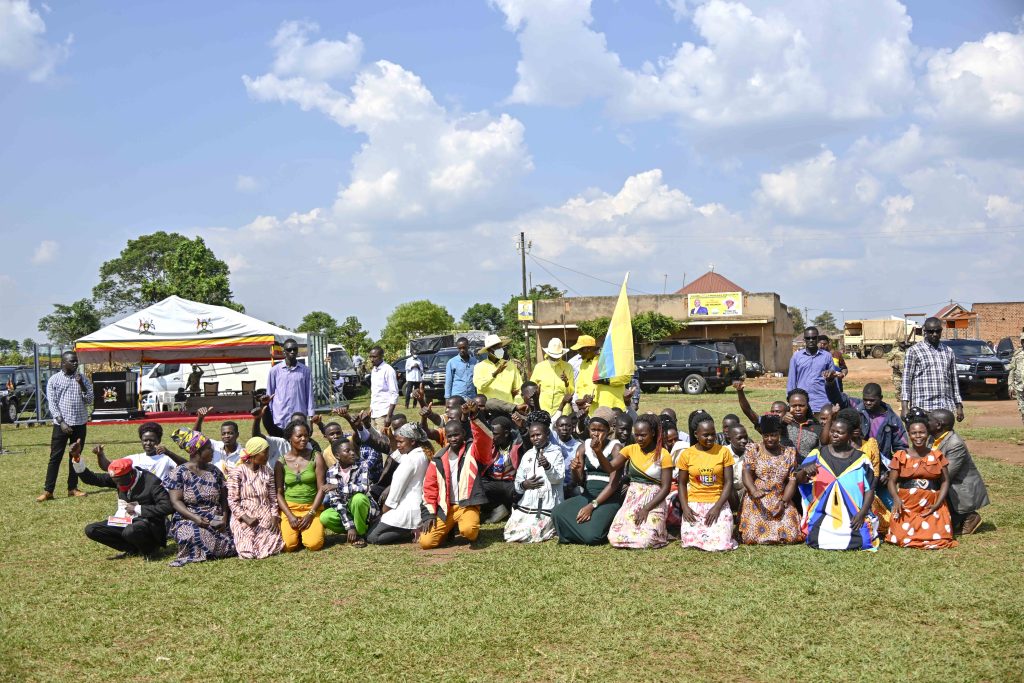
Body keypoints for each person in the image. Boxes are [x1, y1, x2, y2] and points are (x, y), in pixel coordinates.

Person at [796, 412, 878, 551]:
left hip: (854, 514)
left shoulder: (861, 459)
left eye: (840, 433)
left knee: (863, 540)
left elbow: (869, 489)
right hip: (823, 513)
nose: (834, 435)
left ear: (850, 435)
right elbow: (798, 479)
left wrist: (861, 514)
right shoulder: (818, 453)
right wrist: (804, 471)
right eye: (832, 431)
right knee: (815, 539)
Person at [419, 401, 495, 549]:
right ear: (445, 437)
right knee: (426, 542)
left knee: (469, 532)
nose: (453, 439)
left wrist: (474, 415)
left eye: (457, 435)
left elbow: (484, 438)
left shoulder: (473, 451)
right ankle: (449, 529)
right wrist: (429, 514)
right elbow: (429, 488)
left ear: (464, 434)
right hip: (446, 508)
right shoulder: (438, 459)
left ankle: (468, 526)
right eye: (450, 436)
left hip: (467, 505)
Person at [73, 450, 173, 559]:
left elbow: (168, 506)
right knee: (91, 530)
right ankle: (132, 549)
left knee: (130, 531)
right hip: (124, 521)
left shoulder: (152, 482)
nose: (119, 485)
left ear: (131, 474)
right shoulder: (119, 478)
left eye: (121, 482)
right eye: (116, 482)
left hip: (147, 523)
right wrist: (77, 458)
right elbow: (92, 479)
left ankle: (151, 550)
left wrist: (138, 509)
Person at [164, 428, 236, 567]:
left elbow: (223, 498)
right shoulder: (179, 473)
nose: (212, 451)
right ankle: (206, 550)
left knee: (231, 541)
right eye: (209, 448)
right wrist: (195, 518)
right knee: (191, 533)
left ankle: (210, 549)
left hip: (214, 516)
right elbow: (176, 501)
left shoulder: (214, 471)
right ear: (197, 452)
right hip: (189, 516)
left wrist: (224, 517)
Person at [884, 414, 957, 549]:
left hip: (931, 505)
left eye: (922, 432)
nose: (918, 436)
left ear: (928, 433)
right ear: (909, 435)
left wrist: (938, 503)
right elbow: (891, 481)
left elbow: (945, 481)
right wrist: (896, 499)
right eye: (914, 433)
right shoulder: (900, 456)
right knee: (900, 537)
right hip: (906, 505)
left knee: (939, 537)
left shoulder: (937, 455)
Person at [551, 413, 624, 545]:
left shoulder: (615, 447)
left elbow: (614, 483)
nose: (596, 434)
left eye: (601, 430)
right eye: (593, 430)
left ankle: (586, 531)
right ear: (588, 430)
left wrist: (592, 506)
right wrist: (574, 469)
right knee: (557, 513)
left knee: (592, 537)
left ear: (608, 431)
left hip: (609, 498)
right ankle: (580, 531)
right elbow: (578, 481)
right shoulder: (584, 446)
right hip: (587, 495)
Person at [607, 414, 673, 549]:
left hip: (654, 501)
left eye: (643, 435)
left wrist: (646, 509)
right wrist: (597, 451)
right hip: (633, 499)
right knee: (614, 537)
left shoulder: (663, 454)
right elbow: (610, 467)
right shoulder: (630, 449)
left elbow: (666, 488)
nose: (639, 439)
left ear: (653, 433)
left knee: (645, 540)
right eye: (636, 435)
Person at [675, 415, 738, 552]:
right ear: (696, 434)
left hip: (718, 503)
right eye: (706, 435)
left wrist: (717, 507)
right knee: (690, 542)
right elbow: (681, 484)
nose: (710, 438)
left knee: (722, 542)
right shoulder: (687, 454)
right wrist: (685, 508)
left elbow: (728, 483)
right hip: (694, 504)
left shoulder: (723, 452)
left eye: (713, 434)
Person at [738, 415, 804, 545]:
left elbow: (792, 480)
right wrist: (753, 490)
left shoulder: (789, 452)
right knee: (751, 537)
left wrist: (784, 502)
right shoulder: (753, 449)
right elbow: (746, 473)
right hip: (758, 498)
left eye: (773, 435)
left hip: (780, 497)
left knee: (791, 536)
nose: (769, 439)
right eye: (766, 435)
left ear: (779, 434)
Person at [38, 351, 94, 502]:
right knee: (55, 458)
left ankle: (72, 488)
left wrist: (81, 384)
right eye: (72, 361)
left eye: (76, 361)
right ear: (63, 363)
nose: (76, 363)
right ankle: (48, 491)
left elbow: (89, 400)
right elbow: (52, 403)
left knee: (75, 457)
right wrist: (61, 422)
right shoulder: (54, 380)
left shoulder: (83, 379)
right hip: (61, 424)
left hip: (80, 423)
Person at [367, 423, 433, 545]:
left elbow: (395, 494)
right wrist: (391, 438)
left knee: (372, 536)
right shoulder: (422, 453)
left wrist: (383, 511)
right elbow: (397, 455)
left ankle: (408, 531)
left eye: (401, 442)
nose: (398, 445)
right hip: (417, 508)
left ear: (413, 441)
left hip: (407, 510)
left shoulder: (410, 460)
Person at [504, 417, 565, 543]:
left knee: (534, 533)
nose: (535, 438)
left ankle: (550, 527)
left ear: (547, 434)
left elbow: (558, 479)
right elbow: (518, 482)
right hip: (527, 503)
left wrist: (548, 466)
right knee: (509, 533)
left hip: (548, 503)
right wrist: (524, 485)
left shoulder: (556, 453)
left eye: (538, 435)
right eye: (532, 436)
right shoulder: (527, 455)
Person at [929, 408, 989, 535]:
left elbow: (947, 474)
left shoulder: (955, 444)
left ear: (938, 425)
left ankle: (969, 516)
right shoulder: (932, 438)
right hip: (946, 483)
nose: (925, 422)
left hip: (958, 487)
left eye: (929, 420)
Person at [824, 378, 907, 469]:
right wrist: (830, 383)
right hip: (854, 463)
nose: (868, 403)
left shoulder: (892, 420)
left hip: (880, 466)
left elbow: (901, 448)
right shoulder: (856, 406)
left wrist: (891, 471)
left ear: (881, 398)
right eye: (865, 399)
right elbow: (838, 399)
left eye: (872, 400)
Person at [226, 437, 284, 560]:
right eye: (265, 452)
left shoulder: (267, 471)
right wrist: (246, 518)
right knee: (247, 552)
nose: (268, 456)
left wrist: (274, 516)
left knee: (273, 547)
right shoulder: (237, 472)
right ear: (254, 453)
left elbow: (273, 498)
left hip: (264, 513)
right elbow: (232, 500)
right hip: (244, 516)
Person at [274, 420, 327, 552]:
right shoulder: (281, 462)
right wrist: (290, 516)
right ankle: (297, 533)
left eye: (306, 436)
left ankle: (309, 531)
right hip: (290, 508)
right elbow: (279, 493)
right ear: (290, 438)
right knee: (288, 546)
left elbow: (322, 488)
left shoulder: (316, 456)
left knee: (314, 545)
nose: (304, 439)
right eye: (299, 436)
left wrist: (310, 514)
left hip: (311, 507)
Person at [901, 317, 963, 422]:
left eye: (937, 331)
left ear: (941, 331)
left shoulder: (948, 351)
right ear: (925, 331)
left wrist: (959, 406)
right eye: (930, 331)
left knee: (945, 438)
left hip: (944, 408)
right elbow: (906, 380)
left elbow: (954, 381)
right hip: (923, 407)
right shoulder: (914, 351)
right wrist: (904, 407)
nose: (934, 334)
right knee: (923, 437)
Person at [319, 440, 380, 547]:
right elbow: (336, 501)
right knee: (325, 517)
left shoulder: (362, 465)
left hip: (363, 510)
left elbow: (363, 488)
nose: (352, 453)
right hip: (345, 510)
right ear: (337, 455)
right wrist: (350, 526)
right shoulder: (331, 472)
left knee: (358, 499)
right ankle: (352, 530)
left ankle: (361, 533)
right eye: (348, 451)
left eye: (352, 450)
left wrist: (339, 486)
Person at [94, 422, 186, 485]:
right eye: (145, 440)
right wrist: (100, 455)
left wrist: (169, 453)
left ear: (159, 441)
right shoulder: (134, 459)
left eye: (152, 440)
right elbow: (108, 467)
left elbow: (188, 466)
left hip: (159, 498)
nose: (148, 443)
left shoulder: (166, 458)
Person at [480, 415, 524, 524]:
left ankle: (512, 510)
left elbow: (527, 440)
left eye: (495, 434)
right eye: (491, 433)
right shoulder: (490, 443)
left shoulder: (518, 443)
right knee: (476, 487)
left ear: (506, 433)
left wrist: (523, 429)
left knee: (521, 490)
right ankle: (498, 508)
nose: (492, 436)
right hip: (492, 481)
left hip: (512, 482)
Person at [570, 335, 628, 415]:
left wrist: (606, 380)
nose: (578, 353)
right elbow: (581, 386)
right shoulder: (583, 363)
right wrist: (583, 398)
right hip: (593, 410)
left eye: (579, 350)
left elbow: (625, 377)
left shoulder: (609, 358)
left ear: (588, 349)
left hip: (612, 407)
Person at [266, 338, 314, 435]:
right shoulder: (275, 370)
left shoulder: (305, 371)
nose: (292, 352)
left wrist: (311, 416)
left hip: (299, 415)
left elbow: (309, 394)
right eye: (289, 350)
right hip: (280, 416)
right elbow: (269, 394)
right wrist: (269, 414)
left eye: (295, 349)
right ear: (284, 352)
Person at [787, 325, 834, 413]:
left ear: (817, 339)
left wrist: (835, 400)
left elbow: (833, 380)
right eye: (808, 338)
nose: (811, 340)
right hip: (802, 404)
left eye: (813, 338)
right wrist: (790, 402)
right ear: (804, 340)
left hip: (823, 402)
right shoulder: (796, 357)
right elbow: (791, 382)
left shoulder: (827, 356)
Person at [474, 334, 522, 405]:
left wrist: (517, 405)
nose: (500, 350)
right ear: (489, 350)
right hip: (489, 408)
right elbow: (481, 387)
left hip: (508, 407)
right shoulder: (479, 367)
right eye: (497, 348)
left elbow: (519, 389)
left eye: (501, 347)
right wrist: (495, 374)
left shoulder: (510, 365)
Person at [530, 338, 575, 414]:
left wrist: (566, 383)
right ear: (548, 354)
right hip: (543, 408)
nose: (554, 359)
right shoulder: (539, 367)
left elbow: (571, 393)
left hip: (563, 410)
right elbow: (531, 387)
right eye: (552, 357)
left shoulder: (568, 367)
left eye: (557, 357)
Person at [194, 407, 242, 474]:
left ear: (237, 435)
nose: (226, 436)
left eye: (230, 433)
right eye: (223, 434)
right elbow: (195, 439)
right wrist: (200, 418)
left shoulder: (243, 453)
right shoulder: (214, 446)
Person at [368, 345, 400, 432]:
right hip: (374, 412)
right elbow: (375, 392)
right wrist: (371, 410)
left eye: (375, 357)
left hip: (384, 413)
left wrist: (389, 416)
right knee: (375, 440)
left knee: (384, 441)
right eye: (370, 356)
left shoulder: (388, 370)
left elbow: (394, 393)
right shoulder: (374, 370)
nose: (372, 359)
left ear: (381, 356)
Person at [551, 413, 582, 498]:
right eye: (561, 425)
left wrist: (569, 485)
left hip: (568, 485)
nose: (564, 428)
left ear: (572, 428)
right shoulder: (552, 438)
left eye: (568, 426)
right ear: (556, 428)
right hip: (551, 481)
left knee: (579, 491)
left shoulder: (578, 446)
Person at [1008, 333, 1024, 426]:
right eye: (1023, 341)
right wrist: (1010, 385)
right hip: (1020, 387)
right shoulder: (1017, 354)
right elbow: (1011, 370)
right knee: (1022, 409)